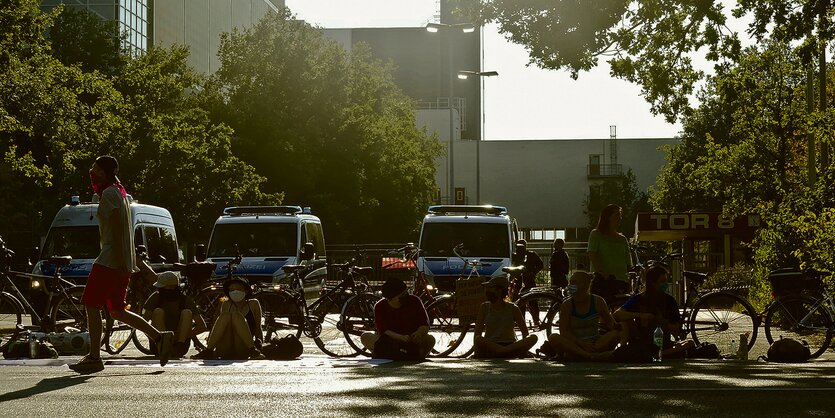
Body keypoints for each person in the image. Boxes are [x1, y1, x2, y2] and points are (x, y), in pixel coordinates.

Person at [70, 156, 174, 374]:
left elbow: (117, 229)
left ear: (105, 172)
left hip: (110, 260)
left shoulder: (109, 194)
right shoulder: (120, 192)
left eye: (96, 168)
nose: (92, 171)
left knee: (91, 304)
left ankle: (94, 357)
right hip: (121, 261)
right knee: (116, 310)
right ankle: (159, 337)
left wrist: (118, 262)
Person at [613, 264, 695, 359]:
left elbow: (675, 327)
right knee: (625, 321)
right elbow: (617, 314)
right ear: (653, 282)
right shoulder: (638, 298)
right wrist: (640, 315)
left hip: (662, 342)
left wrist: (670, 327)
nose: (665, 284)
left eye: (666, 281)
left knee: (689, 343)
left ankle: (658, 354)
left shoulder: (670, 300)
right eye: (662, 281)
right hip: (642, 341)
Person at [546, 271, 620, 361]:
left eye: (573, 282)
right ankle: (589, 356)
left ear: (585, 285)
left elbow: (610, 323)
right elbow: (564, 332)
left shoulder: (598, 301)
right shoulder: (567, 304)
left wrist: (619, 329)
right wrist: (582, 344)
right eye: (570, 282)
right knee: (553, 337)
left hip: (595, 343)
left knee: (615, 335)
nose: (570, 285)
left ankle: (582, 355)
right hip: (575, 344)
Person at [139, 264, 207, 359]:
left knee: (187, 312)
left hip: (181, 343)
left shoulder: (185, 300)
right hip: (158, 343)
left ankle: (178, 346)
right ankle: (164, 344)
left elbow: (202, 326)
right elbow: (143, 324)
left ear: (173, 287)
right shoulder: (156, 298)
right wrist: (155, 336)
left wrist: (179, 337)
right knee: (158, 311)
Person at [191, 277, 265, 360]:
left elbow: (258, 327)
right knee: (225, 315)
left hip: (243, 347)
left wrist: (260, 345)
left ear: (246, 291)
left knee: (236, 315)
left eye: (239, 289)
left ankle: (253, 351)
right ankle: (208, 350)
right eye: (232, 290)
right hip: (225, 347)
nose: (235, 292)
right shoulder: (226, 304)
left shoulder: (253, 303)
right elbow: (219, 325)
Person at [361, 278, 435, 360]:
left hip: (412, 341)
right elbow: (383, 330)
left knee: (430, 339)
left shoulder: (415, 300)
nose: (406, 296)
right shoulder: (380, 306)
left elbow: (424, 324)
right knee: (365, 336)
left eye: (406, 293)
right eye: (402, 295)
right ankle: (395, 354)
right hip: (390, 341)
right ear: (390, 298)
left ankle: (412, 355)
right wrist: (401, 337)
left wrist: (418, 333)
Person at [473, 277, 538, 358]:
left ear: (499, 291)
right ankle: (505, 352)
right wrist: (476, 352)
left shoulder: (513, 308)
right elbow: (477, 333)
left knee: (533, 337)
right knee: (478, 339)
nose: (487, 291)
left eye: (490, 288)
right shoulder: (484, 307)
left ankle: (502, 351)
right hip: (491, 345)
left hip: (510, 344)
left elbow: (525, 333)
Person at [587, 204, 632, 303]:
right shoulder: (596, 234)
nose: (619, 219)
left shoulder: (622, 239)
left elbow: (628, 262)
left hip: (621, 281)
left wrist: (629, 280)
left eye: (619, 216)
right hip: (604, 281)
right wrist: (602, 272)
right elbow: (592, 254)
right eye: (616, 216)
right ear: (607, 217)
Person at [512, 239, 544, 325]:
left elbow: (540, 265)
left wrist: (533, 272)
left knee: (529, 301)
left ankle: (531, 320)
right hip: (523, 280)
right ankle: (526, 320)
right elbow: (540, 265)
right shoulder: (528, 255)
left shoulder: (528, 255)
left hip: (526, 280)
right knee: (524, 301)